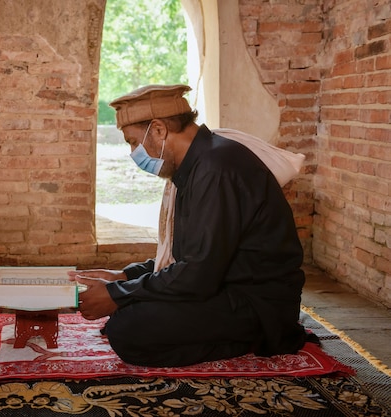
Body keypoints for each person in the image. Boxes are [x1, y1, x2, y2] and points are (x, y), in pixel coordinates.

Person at [69, 84, 308, 367]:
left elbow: (197, 274)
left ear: (158, 129)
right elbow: (191, 257)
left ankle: (253, 338)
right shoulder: (200, 163)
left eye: (133, 142)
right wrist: (123, 277)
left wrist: (120, 294)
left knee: (128, 329)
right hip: (222, 286)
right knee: (126, 308)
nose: (134, 153)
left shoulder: (215, 168)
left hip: (256, 304)